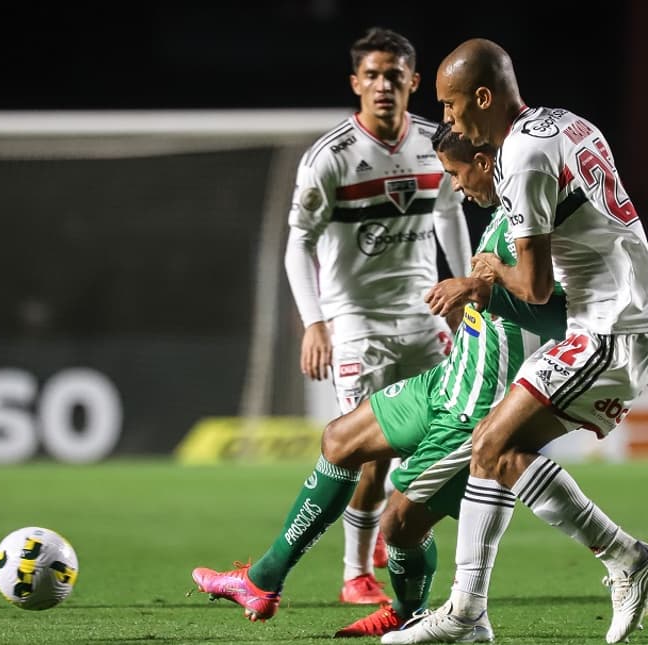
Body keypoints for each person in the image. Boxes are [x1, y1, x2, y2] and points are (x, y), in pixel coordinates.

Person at [189, 125, 567, 638]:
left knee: (398, 526)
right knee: (340, 438)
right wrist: (470, 296)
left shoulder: (540, 223)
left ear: (483, 161)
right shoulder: (505, 210)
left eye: (456, 175)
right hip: (446, 381)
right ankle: (262, 580)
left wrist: (483, 283)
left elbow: (555, 310)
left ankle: (412, 612)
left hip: (479, 408)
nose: (455, 188)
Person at [381, 39, 648, 645]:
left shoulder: (520, 155)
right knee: (505, 453)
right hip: (627, 318)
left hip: (612, 327)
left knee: (489, 440)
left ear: (483, 97)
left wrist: (487, 270)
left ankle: (471, 613)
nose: (448, 120)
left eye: (451, 105)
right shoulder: (567, 123)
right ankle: (622, 560)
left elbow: (535, 287)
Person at [280, 27, 473, 605]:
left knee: (439, 438)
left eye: (395, 75)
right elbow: (298, 244)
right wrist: (315, 322)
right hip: (356, 323)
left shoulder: (436, 143)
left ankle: (396, 540)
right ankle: (354, 573)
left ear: (414, 82)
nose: (383, 85)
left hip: (421, 317)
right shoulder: (331, 156)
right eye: (372, 75)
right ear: (355, 84)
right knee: (368, 451)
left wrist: (460, 291)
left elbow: (449, 216)